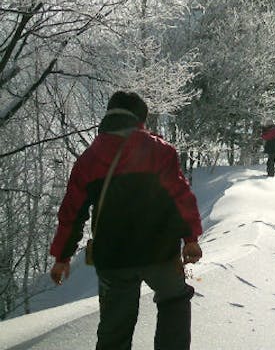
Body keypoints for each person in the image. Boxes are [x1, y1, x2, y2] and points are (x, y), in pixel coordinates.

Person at [49, 91, 203, 350]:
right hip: (160, 253)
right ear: (140, 119)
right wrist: (190, 239)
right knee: (174, 300)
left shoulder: (89, 159)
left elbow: (71, 212)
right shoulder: (159, 151)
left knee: (115, 329)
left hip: (114, 258)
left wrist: (62, 257)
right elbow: (181, 197)